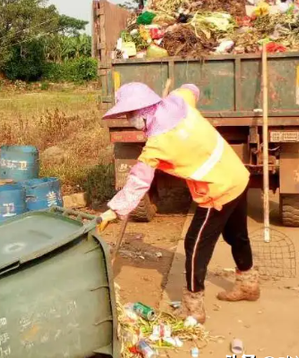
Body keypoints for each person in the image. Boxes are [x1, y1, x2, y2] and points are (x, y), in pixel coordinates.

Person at [100, 82, 260, 324]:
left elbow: (137, 183)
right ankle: (248, 284)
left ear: (143, 111)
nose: (128, 119)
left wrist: (113, 211)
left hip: (216, 190)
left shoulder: (157, 144)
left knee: (195, 246)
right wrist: (170, 96)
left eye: (130, 114)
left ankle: (193, 307)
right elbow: (193, 87)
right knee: (236, 234)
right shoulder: (179, 101)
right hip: (237, 176)